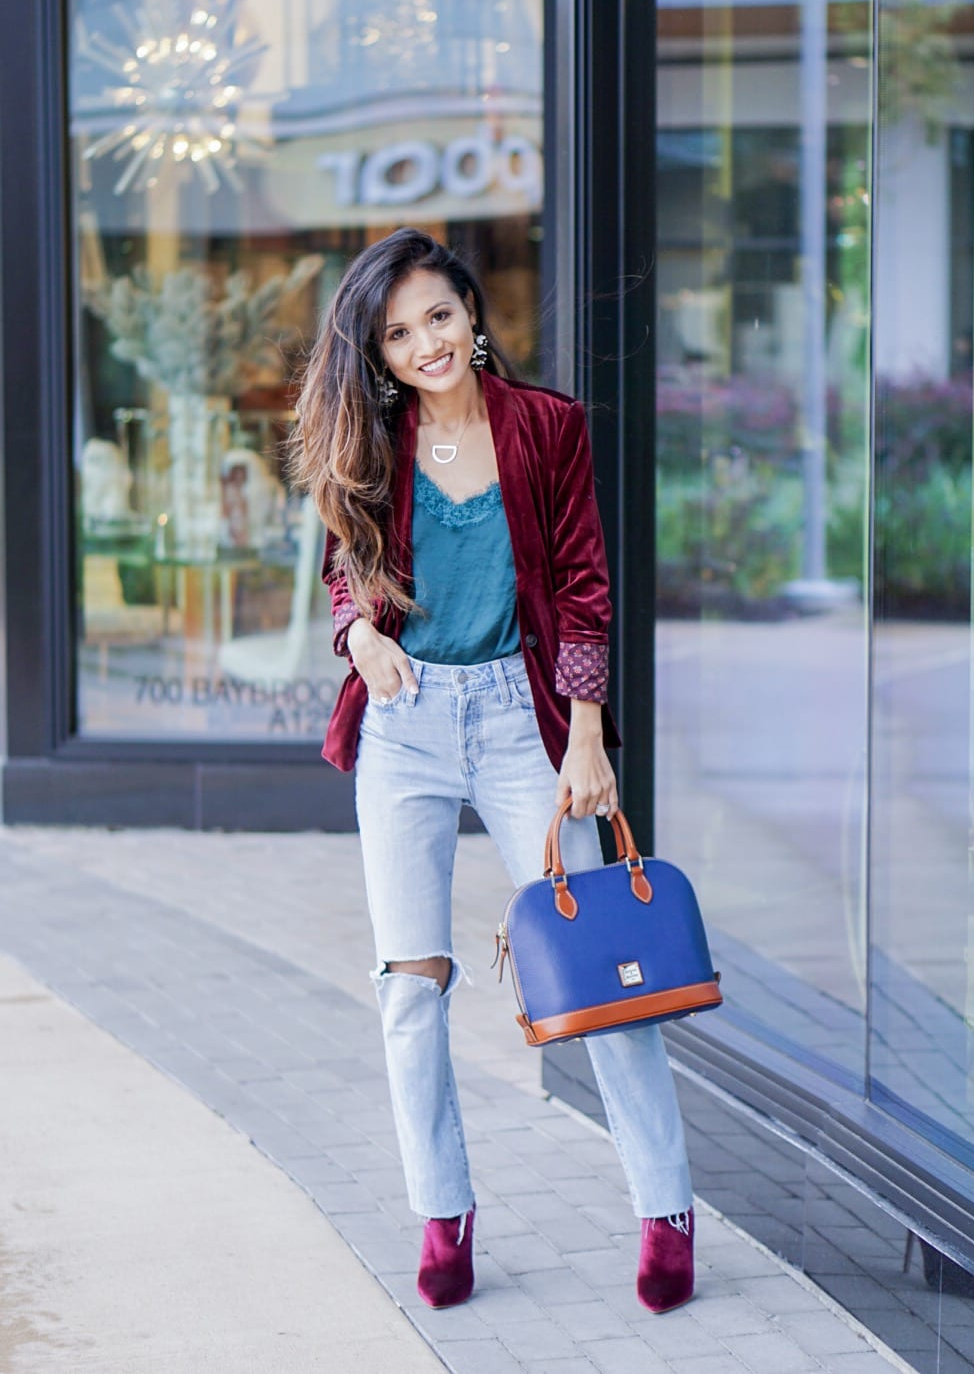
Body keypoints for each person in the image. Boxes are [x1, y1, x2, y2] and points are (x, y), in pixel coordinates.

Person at [293, 227, 695, 1313]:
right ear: (377, 352)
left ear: (473, 312)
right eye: (399, 330)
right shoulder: (374, 438)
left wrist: (588, 733)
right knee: (407, 986)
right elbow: (348, 562)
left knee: (600, 967)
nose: (426, 341)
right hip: (408, 722)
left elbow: (583, 581)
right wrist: (359, 637)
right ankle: (444, 1210)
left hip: (526, 724)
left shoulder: (546, 425)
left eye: (439, 315)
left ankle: (665, 1208)